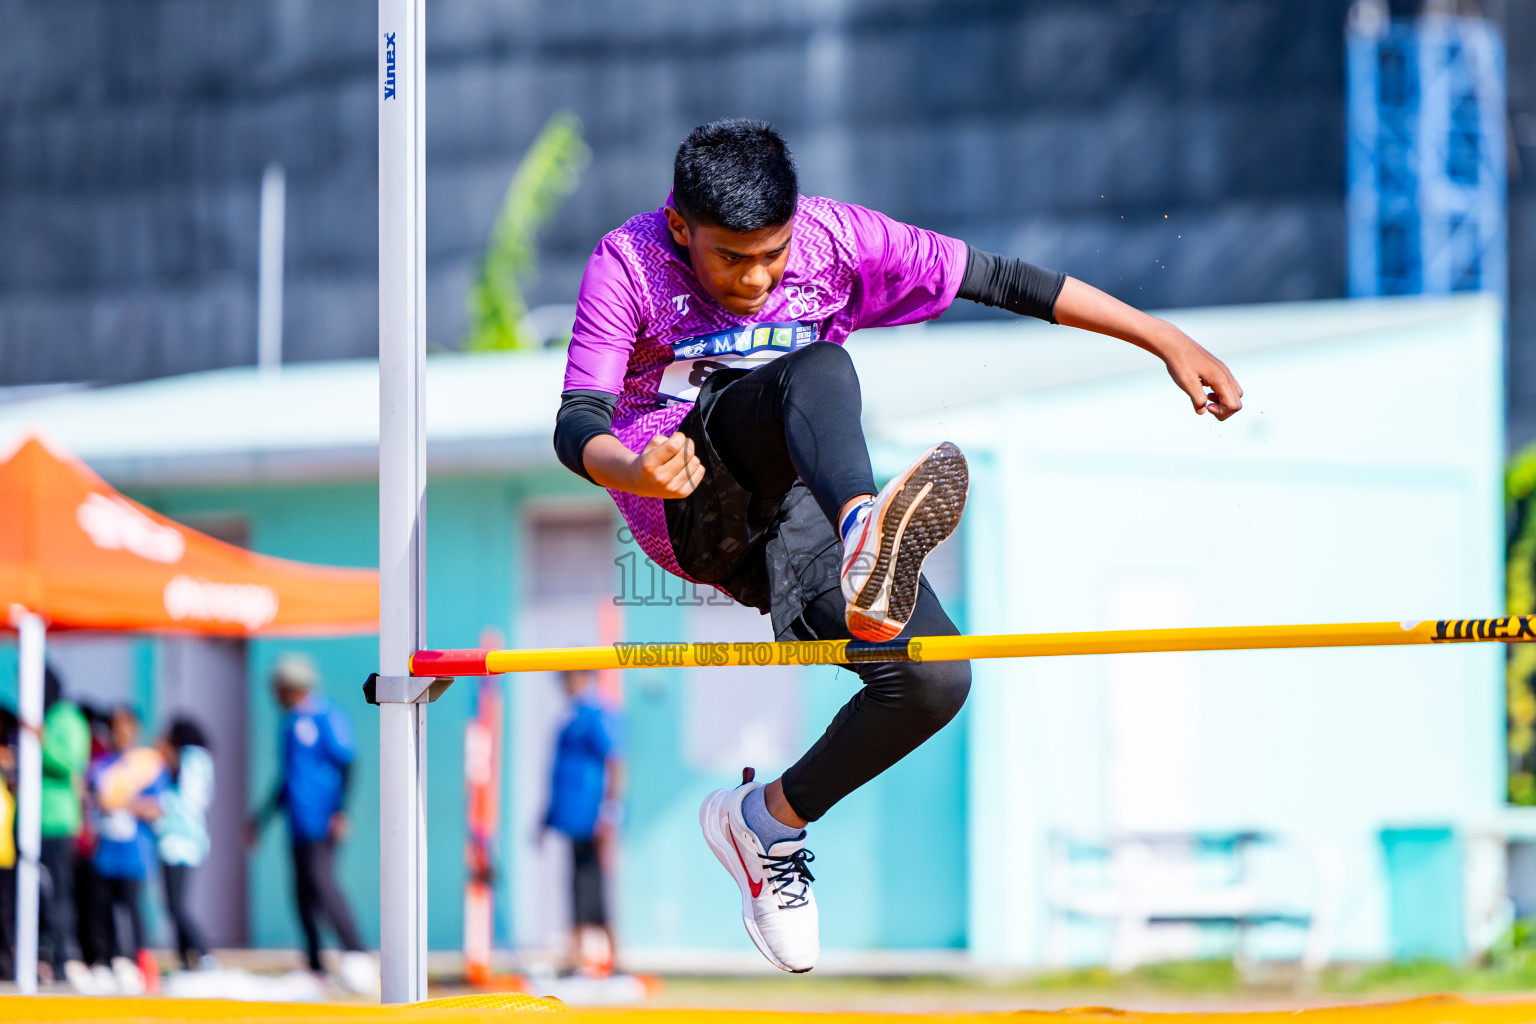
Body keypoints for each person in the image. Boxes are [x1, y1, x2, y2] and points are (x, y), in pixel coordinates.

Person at [553, 119, 1244, 973]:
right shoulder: (629, 263)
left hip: (798, 513)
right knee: (817, 370)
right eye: (732, 258)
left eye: (772, 253)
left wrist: (1166, 340)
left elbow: (1004, 279)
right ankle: (864, 532)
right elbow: (575, 419)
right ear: (681, 226)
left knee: (931, 677)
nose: (758, 277)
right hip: (693, 498)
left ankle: (764, 823)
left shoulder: (837, 237)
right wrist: (634, 467)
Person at [247, 654, 374, 995]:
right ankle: (314, 963)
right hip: (298, 819)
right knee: (301, 891)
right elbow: (286, 778)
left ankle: (356, 953)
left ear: (293, 686)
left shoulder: (327, 716)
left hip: (323, 818)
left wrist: (340, 810)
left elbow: (347, 762)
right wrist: (262, 819)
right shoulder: (289, 724)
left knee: (323, 884)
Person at [541, 669, 624, 977]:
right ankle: (576, 955)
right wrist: (546, 817)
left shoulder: (596, 714)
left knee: (595, 885)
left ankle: (611, 956)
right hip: (574, 818)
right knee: (577, 885)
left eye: (569, 678)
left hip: (593, 818)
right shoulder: (572, 718)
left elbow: (616, 760)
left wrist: (610, 810)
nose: (565, 685)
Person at [86, 705, 164, 995]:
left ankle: (139, 965)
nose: (120, 733)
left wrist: (124, 804)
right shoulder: (101, 765)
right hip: (105, 851)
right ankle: (104, 962)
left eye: (126, 726)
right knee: (101, 911)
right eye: (115, 726)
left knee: (133, 911)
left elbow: (156, 807)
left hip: (134, 853)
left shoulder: (147, 764)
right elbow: (91, 799)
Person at [36, 666, 92, 991]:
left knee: (59, 892)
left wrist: (40, 738)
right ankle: (43, 953)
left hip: (57, 821)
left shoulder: (66, 719)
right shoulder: (46, 717)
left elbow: (70, 763)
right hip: (34, 820)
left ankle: (62, 956)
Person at [146, 718, 216, 972]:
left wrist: (157, 806)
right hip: (176, 839)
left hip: (181, 840)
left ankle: (203, 954)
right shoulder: (194, 760)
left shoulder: (193, 759)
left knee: (176, 903)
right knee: (172, 903)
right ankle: (185, 960)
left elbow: (188, 800)